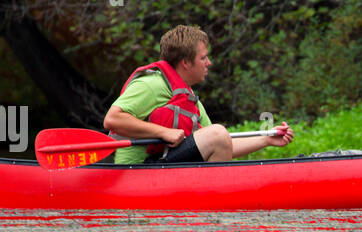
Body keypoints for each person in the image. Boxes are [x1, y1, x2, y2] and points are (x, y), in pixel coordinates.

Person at [102, 25, 293, 164]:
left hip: (165, 168)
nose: (208, 63)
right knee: (217, 133)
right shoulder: (151, 85)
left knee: (218, 134)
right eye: (203, 58)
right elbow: (112, 119)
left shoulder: (188, 96)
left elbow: (222, 144)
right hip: (136, 171)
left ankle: (213, 209)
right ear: (185, 62)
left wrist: (266, 139)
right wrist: (164, 132)